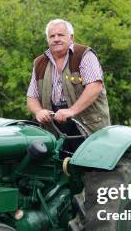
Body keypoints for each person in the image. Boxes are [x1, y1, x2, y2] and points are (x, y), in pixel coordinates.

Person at [27, 19, 110, 152]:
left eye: (60, 35)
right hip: (55, 127)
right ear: (48, 39)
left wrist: (71, 111)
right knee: (58, 166)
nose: (56, 39)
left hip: (87, 126)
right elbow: (31, 97)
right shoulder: (39, 63)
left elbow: (95, 87)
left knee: (91, 168)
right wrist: (38, 111)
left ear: (71, 37)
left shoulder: (84, 54)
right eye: (52, 36)